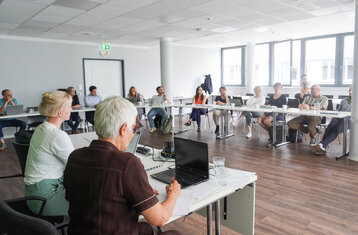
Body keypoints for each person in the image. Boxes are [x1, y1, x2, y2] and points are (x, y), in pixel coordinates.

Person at [63, 96, 181, 235]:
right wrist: (173, 195)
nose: (133, 133)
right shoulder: (128, 163)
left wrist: (139, 191)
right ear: (123, 129)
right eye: (133, 128)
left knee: (146, 229)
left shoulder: (75, 157)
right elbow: (160, 219)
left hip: (80, 231)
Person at [24, 90, 74, 216]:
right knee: (93, 202)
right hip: (45, 199)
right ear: (60, 112)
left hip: (34, 195)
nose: (71, 110)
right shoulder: (58, 135)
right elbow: (76, 165)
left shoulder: (41, 128)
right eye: (69, 106)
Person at [314, 86, 352, 155]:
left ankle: (322, 144)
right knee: (330, 126)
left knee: (338, 128)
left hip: (350, 120)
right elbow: (339, 110)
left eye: (352, 90)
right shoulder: (344, 100)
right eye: (349, 90)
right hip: (340, 117)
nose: (350, 92)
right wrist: (333, 113)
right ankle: (322, 147)